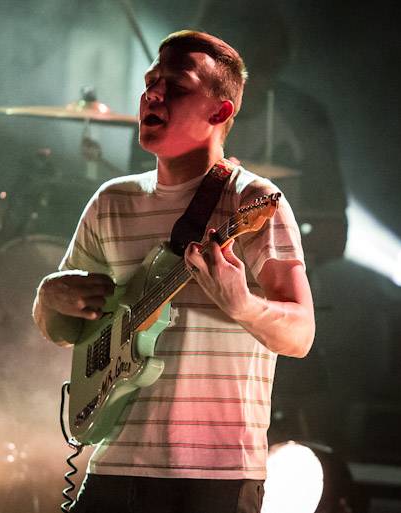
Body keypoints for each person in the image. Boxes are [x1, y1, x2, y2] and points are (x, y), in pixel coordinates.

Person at [32, 30, 315, 513]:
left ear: (220, 112)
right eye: (150, 82)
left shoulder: (252, 201)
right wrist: (48, 298)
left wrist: (243, 306)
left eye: (176, 86)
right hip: (114, 464)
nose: (152, 94)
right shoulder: (111, 202)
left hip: (215, 476)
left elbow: (301, 334)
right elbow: (66, 332)